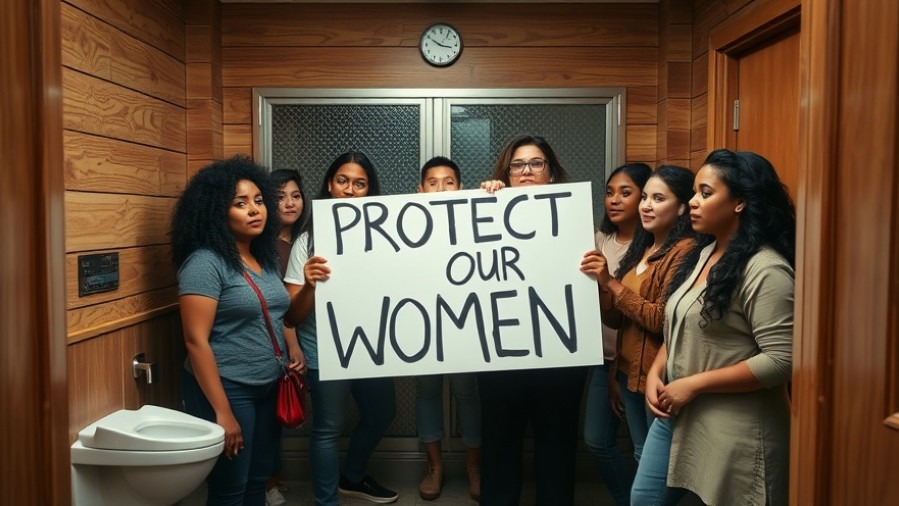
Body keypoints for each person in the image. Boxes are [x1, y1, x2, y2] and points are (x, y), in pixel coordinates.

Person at [632, 149, 795, 506]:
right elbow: (679, 326)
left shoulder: (765, 269)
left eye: (705, 193)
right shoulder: (703, 253)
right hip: (677, 411)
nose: (692, 202)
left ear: (739, 202)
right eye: (693, 192)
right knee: (644, 498)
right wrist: (658, 373)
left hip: (734, 426)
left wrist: (693, 385)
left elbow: (782, 360)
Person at [172, 155, 304, 505]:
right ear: (217, 210)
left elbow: (278, 313)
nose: (254, 210)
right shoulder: (204, 262)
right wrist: (222, 411)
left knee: (258, 480)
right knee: (230, 487)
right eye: (240, 203)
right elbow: (195, 340)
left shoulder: (265, 256)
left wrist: (291, 347)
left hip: (268, 384)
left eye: (259, 201)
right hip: (229, 387)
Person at [478, 134, 589, 506]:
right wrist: (480, 203)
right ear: (506, 175)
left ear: (552, 173)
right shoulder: (485, 208)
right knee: (498, 447)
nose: (526, 171)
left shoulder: (573, 217)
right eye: (517, 165)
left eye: (536, 163)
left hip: (559, 354)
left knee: (557, 448)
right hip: (501, 354)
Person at [283, 152, 399, 506]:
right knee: (328, 429)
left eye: (360, 184)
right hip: (324, 352)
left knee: (382, 413)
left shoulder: (388, 235)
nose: (350, 190)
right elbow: (292, 316)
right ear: (330, 186)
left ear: (370, 191)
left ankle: (352, 476)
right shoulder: (309, 241)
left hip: (372, 348)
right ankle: (326, 501)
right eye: (343, 181)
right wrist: (309, 286)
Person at [581, 165, 696, 476]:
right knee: (639, 453)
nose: (646, 205)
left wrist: (611, 283)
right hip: (627, 372)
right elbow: (620, 322)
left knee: (650, 461)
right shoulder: (643, 249)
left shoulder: (685, 253)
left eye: (657, 198)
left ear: (683, 207)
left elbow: (661, 319)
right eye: (645, 197)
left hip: (655, 377)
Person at [581, 162, 651, 505]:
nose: (614, 200)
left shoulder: (652, 246)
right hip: (599, 357)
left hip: (635, 361)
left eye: (626, 193)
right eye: (609, 193)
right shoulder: (596, 238)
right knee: (597, 439)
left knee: (644, 448)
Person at [413, 156, 482, 501]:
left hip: (464, 324)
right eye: (433, 182)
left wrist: (494, 193)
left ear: (461, 187)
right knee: (426, 394)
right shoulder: (402, 225)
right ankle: (435, 468)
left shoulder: (475, 221)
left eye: (449, 181)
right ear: (420, 189)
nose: (441, 188)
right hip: (420, 325)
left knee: (468, 395)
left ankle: (474, 466)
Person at [264, 169, 311, 506]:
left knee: (282, 410)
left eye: (295, 195)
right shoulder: (262, 244)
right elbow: (278, 301)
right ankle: (267, 484)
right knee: (269, 414)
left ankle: (271, 479)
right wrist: (293, 345)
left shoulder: (308, 239)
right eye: (280, 196)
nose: (289, 203)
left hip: (297, 337)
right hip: (270, 340)